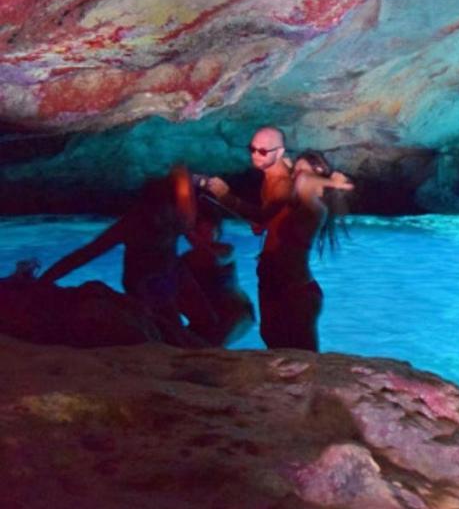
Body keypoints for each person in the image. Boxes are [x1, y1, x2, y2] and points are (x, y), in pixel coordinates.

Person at [39, 166, 202, 326]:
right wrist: (46, 279)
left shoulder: (174, 219)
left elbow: (185, 201)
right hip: (145, 288)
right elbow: (85, 254)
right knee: (169, 320)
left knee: (199, 314)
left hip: (165, 279)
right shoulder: (134, 223)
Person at [254, 149, 352, 351]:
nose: (295, 175)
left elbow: (304, 182)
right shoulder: (291, 207)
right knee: (272, 340)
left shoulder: (316, 209)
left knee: (303, 355)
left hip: (296, 292)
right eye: (295, 171)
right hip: (274, 287)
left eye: (302, 170)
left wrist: (329, 181)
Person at [176, 202, 254, 346]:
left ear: (217, 232)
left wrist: (190, 234)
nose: (202, 237)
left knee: (209, 344)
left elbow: (214, 259)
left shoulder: (225, 250)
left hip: (238, 315)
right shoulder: (185, 260)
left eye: (207, 232)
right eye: (198, 231)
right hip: (212, 317)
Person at [205, 125, 294, 231]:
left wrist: (226, 197)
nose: (255, 155)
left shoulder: (283, 186)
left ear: (279, 152)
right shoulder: (271, 168)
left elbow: (264, 219)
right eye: (252, 149)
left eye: (263, 151)